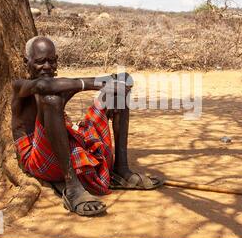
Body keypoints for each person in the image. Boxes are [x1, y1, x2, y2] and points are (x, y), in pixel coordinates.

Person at [11, 36, 163, 217]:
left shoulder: (60, 84)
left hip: (62, 150)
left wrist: (116, 83)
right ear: (26, 62)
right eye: (40, 62)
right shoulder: (20, 87)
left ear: (57, 61)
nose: (46, 66)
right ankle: (73, 187)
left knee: (117, 94)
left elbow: (125, 79)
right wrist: (92, 82)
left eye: (51, 61)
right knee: (51, 100)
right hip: (39, 161)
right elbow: (43, 86)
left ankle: (121, 170)